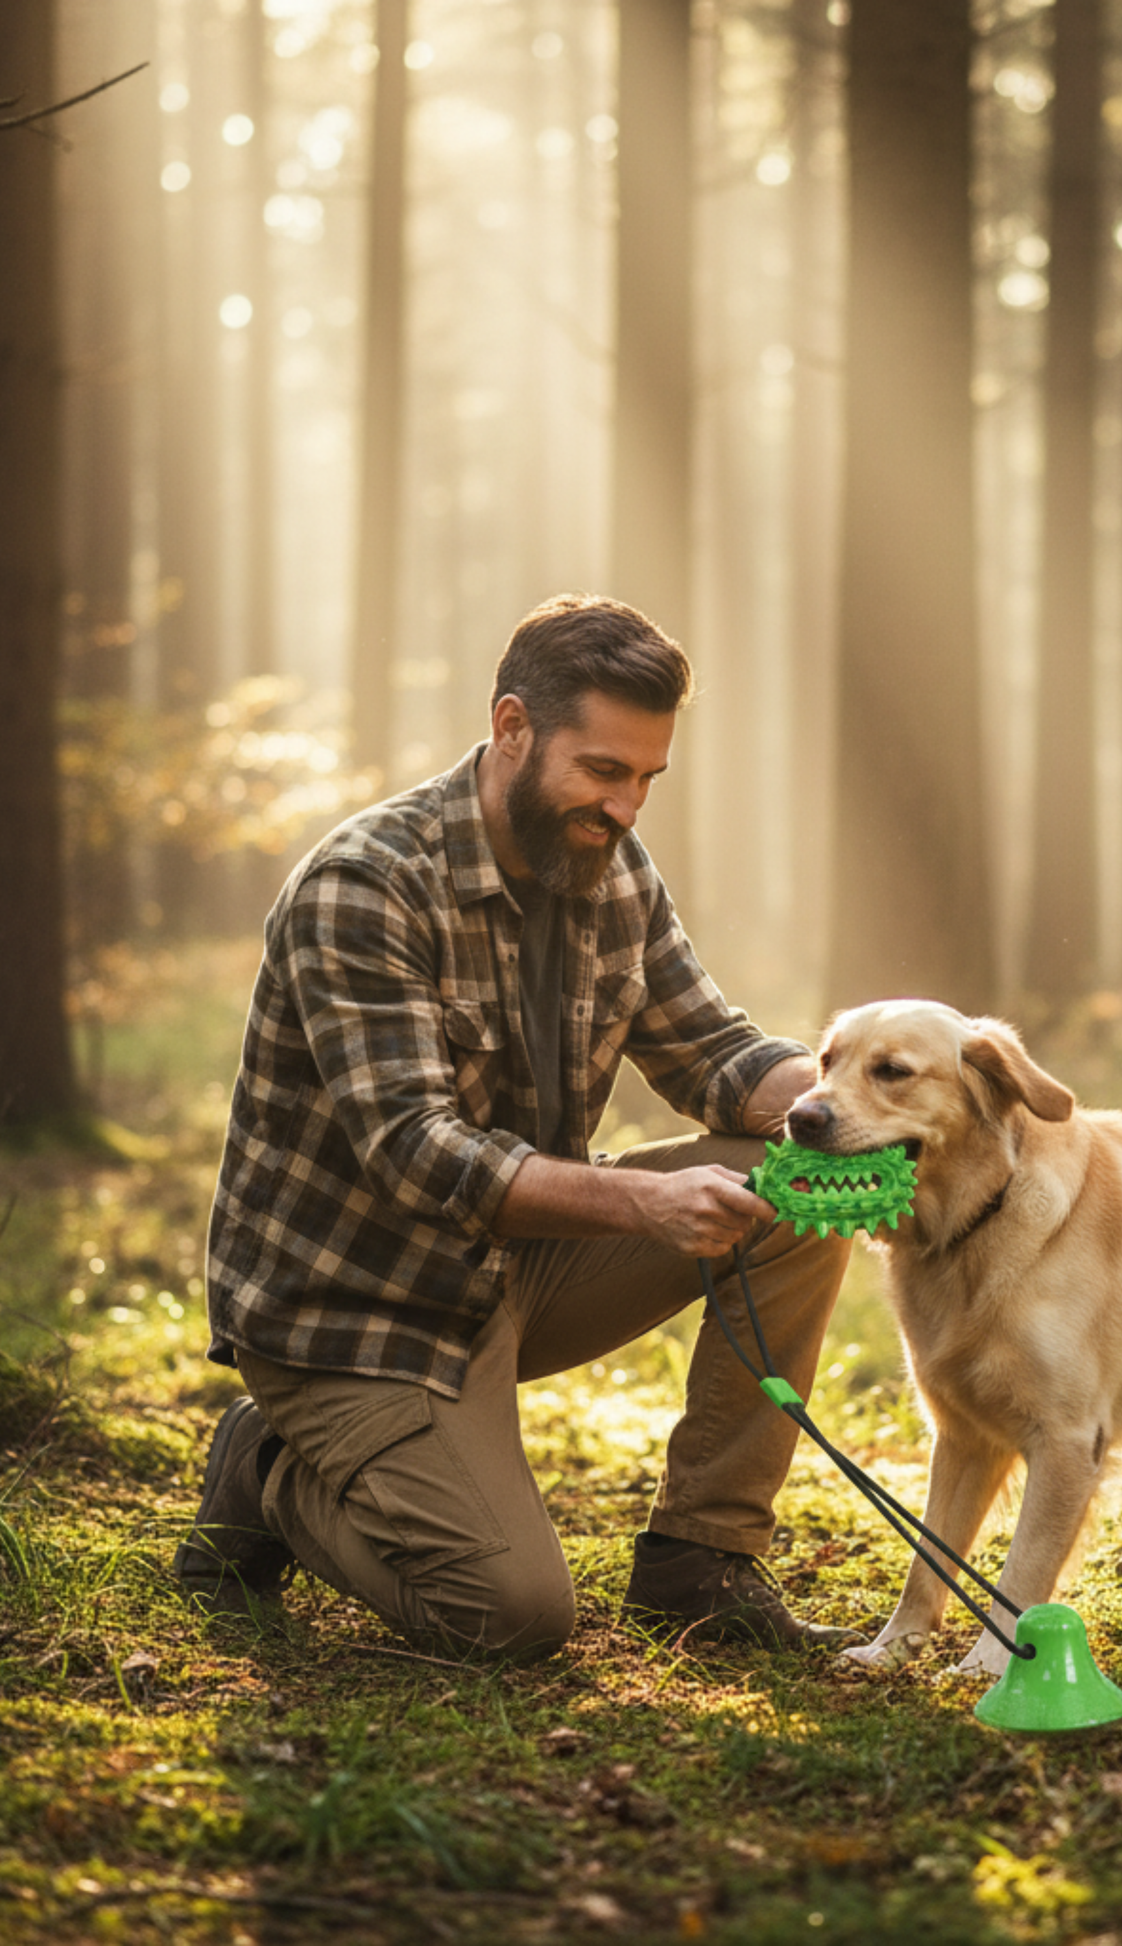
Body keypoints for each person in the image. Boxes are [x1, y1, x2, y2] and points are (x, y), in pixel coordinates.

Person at [175, 594, 857, 1660]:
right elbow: (416, 1151)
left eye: (645, 778)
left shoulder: (610, 864)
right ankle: (267, 1475)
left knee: (812, 1183)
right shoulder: (366, 884)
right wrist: (645, 1199)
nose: (627, 805)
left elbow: (713, 1051)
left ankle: (700, 1561)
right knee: (508, 1614)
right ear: (510, 729)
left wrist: (852, 1105)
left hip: (509, 1270)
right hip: (355, 1315)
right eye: (602, 770)